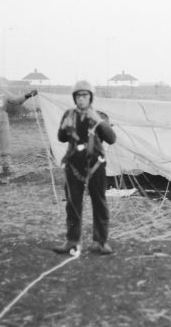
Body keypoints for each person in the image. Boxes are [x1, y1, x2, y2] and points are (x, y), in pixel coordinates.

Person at [54, 80, 117, 256]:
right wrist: (64, 127)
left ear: (90, 98)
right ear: (74, 98)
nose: (81, 99)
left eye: (85, 95)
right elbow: (61, 138)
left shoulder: (100, 115)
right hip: (74, 165)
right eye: (79, 96)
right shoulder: (69, 114)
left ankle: (101, 242)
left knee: (99, 203)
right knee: (73, 204)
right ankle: (72, 241)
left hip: (95, 165)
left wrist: (99, 122)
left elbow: (111, 139)